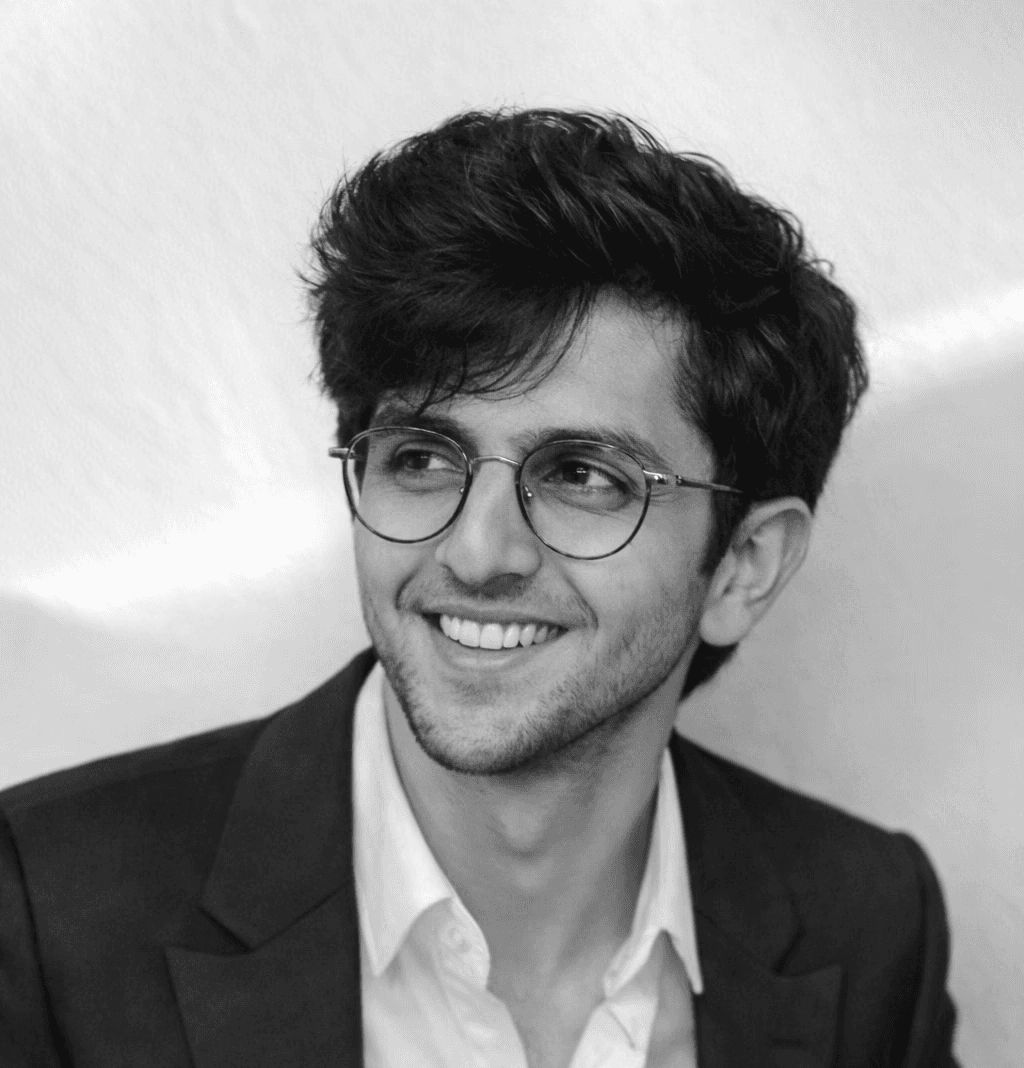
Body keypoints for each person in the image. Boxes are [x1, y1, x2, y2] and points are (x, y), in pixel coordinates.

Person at [0, 109, 958, 1067]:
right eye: (421, 456)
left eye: (584, 474)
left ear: (743, 566)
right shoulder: (47, 906)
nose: (476, 550)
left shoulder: (869, 926)